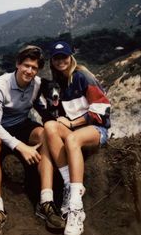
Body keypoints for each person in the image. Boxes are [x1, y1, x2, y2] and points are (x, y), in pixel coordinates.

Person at [0, 45, 65, 235]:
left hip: (21, 124)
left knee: (45, 134)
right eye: (26, 65)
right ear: (17, 64)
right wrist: (21, 147)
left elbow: (44, 104)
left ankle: (46, 201)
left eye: (34, 68)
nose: (29, 71)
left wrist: (59, 120)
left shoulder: (36, 84)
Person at [44, 41, 111, 235]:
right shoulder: (59, 83)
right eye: (56, 58)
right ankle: (68, 185)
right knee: (49, 127)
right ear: (52, 61)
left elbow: (102, 109)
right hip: (75, 131)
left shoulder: (83, 76)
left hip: (95, 129)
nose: (60, 61)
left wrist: (73, 124)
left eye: (64, 56)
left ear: (71, 57)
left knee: (72, 139)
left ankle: (76, 207)